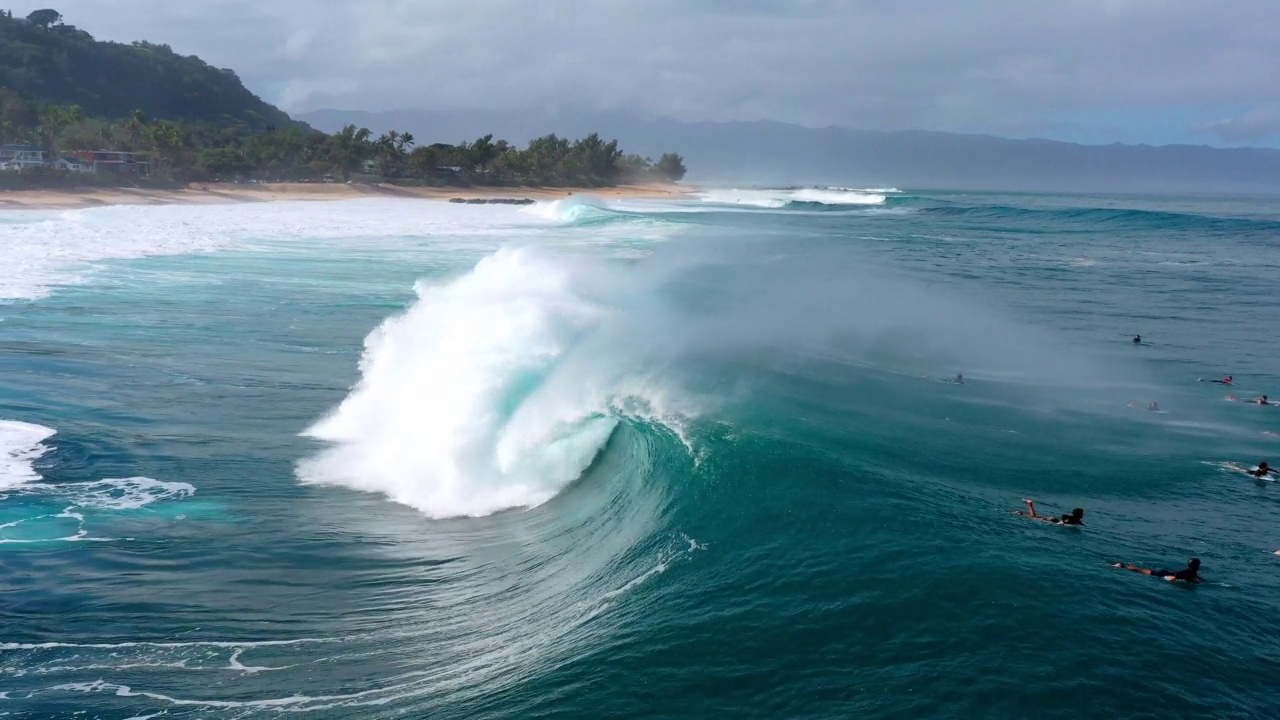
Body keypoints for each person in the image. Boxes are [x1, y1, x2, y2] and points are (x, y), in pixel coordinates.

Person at [1113, 558, 1202, 583]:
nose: (1199, 566)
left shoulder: (1192, 572)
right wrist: (1166, 579)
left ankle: (1124, 565)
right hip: (1161, 573)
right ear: (1195, 566)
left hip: (1162, 572)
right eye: (1199, 564)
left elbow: (1196, 578)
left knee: (1142, 570)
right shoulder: (1188, 572)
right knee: (1141, 571)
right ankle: (1122, 565)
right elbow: (1174, 577)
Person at [1015, 499, 1084, 525]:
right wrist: (1062, 523)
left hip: (1053, 519)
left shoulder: (1076, 520)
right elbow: (1064, 519)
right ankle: (1029, 505)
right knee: (1033, 518)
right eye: (1082, 514)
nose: (1083, 515)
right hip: (1053, 520)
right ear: (1079, 514)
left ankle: (1020, 513)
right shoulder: (1074, 519)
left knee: (1035, 517)